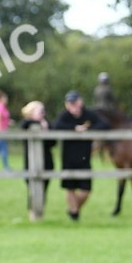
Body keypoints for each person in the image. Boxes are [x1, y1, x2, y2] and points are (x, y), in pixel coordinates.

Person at [52, 90, 109, 221]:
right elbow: (56, 126)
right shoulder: (64, 116)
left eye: (74, 102)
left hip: (85, 156)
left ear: (80, 102)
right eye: (69, 103)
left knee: (86, 190)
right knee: (70, 187)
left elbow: (104, 124)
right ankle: (75, 213)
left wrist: (88, 130)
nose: (72, 106)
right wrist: (74, 128)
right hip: (68, 156)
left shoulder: (89, 114)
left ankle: (73, 208)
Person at [19, 100, 55, 210]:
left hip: (47, 161)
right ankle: (33, 211)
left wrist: (46, 130)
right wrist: (39, 124)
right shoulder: (26, 124)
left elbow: (53, 142)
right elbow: (23, 126)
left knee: (44, 189)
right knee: (32, 188)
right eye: (39, 111)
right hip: (30, 162)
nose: (42, 113)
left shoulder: (47, 124)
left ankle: (39, 210)